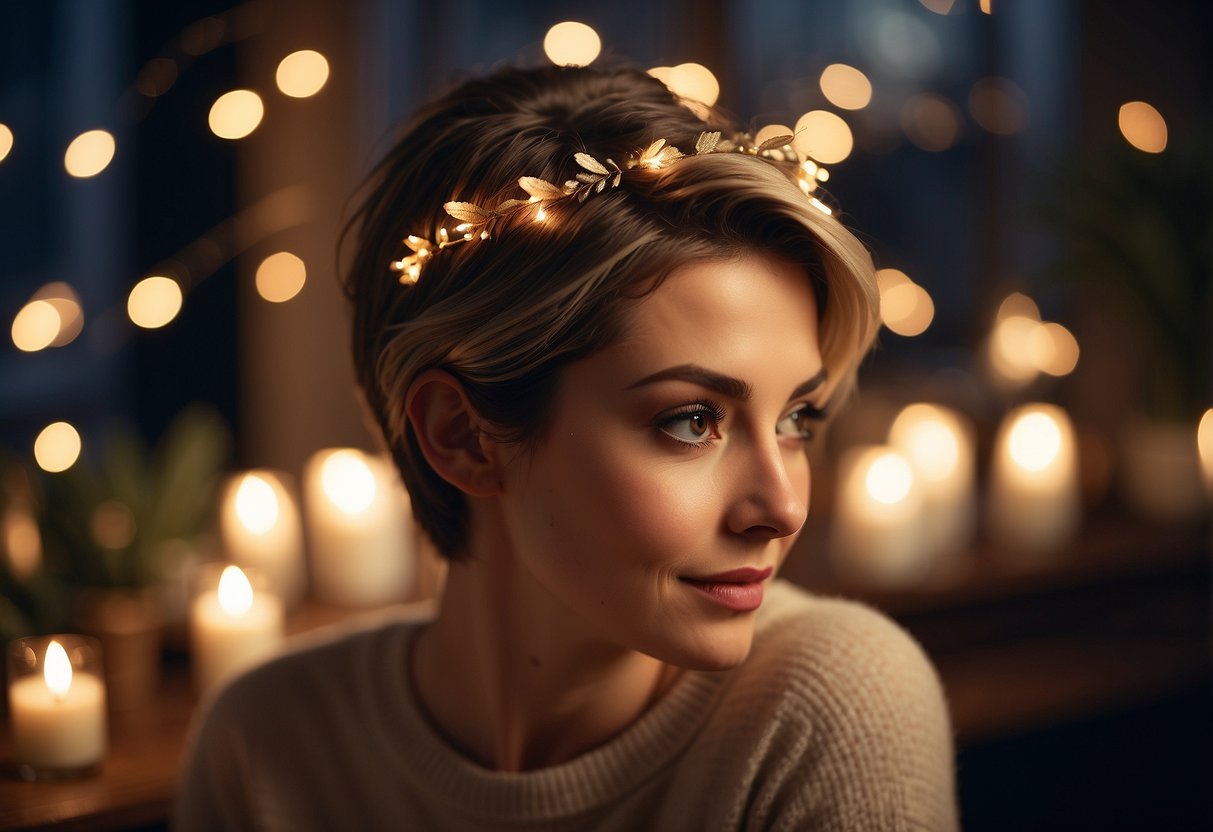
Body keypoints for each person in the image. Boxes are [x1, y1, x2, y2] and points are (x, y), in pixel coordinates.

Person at [175, 63, 958, 830]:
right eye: (691, 421)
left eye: (796, 419)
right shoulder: (265, 743)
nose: (780, 508)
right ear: (461, 436)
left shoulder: (835, 703)